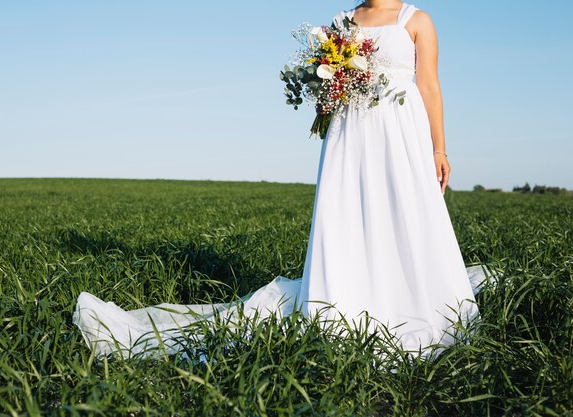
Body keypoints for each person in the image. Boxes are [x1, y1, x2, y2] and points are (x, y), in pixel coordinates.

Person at [73, 1, 494, 361]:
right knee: (350, 214)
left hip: (401, 133)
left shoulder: (416, 20)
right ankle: (349, 294)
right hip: (352, 136)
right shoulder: (343, 20)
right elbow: (326, 95)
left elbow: (430, 86)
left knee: (407, 210)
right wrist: (329, 84)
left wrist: (439, 149)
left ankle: (412, 291)